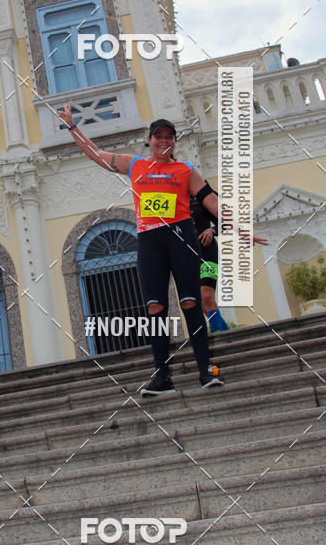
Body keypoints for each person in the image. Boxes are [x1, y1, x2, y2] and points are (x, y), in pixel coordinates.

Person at [58, 104, 268, 395]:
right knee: (155, 307)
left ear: (174, 142)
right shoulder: (135, 165)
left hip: (182, 237)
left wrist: (241, 228)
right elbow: (96, 154)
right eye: (159, 136)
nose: (164, 141)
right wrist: (72, 126)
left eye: (170, 136)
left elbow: (212, 202)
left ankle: (206, 371)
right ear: (149, 139)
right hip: (149, 240)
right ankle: (162, 377)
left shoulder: (186, 170)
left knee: (191, 303)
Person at [190, 192, 229, 333]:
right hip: (187, 257)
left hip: (207, 252)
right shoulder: (170, 198)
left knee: (206, 296)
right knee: (201, 303)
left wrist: (212, 230)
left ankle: (220, 338)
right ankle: (226, 334)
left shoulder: (202, 193)